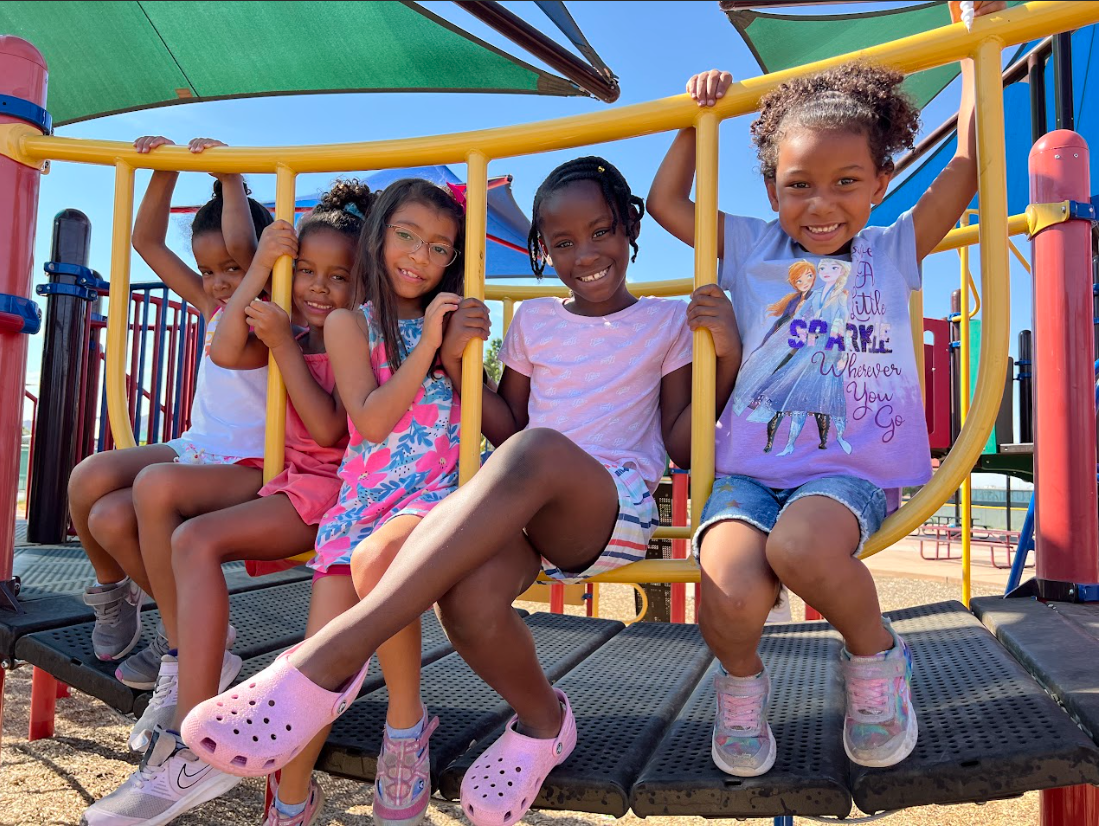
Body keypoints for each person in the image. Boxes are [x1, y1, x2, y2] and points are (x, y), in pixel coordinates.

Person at [182, 156, 740, 826]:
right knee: (467, 603)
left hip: (605, 509)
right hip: (524, 513)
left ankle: (323, 662)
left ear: (628, 227)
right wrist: (458, 367)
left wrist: (724, 354)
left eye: (600, 233)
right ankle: (542, 723)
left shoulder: (666, 320)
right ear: (542, 249)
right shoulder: (533, 320)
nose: (583, 253)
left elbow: (682, 444)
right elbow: (505, 429)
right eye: (561, 243)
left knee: (536, 452)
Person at [645, 0, 1005, 778]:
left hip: (843, 473)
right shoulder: (747, 243)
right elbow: (666, 205)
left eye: (845, 181)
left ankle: (876, 661)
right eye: (797, 184)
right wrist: (694, 119)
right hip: (746, 471)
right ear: (772, 188)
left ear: (880, 182)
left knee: (801, 548)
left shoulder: (893, 247)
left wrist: (982, 50)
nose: (820, 204)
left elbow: (968, 170)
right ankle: (739, 688)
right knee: (730, 587)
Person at [78, 181, 373, 826]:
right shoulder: (278, 321)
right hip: (285, 478)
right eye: (310, 274)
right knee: (165, 528)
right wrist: (263, 277)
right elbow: (221, 342)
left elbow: (327, 434)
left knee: (180, 521)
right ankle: (191, 716)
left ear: (364, 282)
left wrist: (235, 186)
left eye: (340, 277)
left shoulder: (349, 337)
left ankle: (191, 733)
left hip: (327, 488)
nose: (319, 289)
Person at [67, 136, 271, 676]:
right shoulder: (212, 303)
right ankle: (121, 596)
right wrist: (162, 169)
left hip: (251, 466)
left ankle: (184, 644)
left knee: (142, 490)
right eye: (208, 271)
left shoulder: (268, 311)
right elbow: (147, 242)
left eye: (230, 268)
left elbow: (248, 252)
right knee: (97, 492)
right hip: (198, 448)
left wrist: (232, 176)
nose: (219, 282)